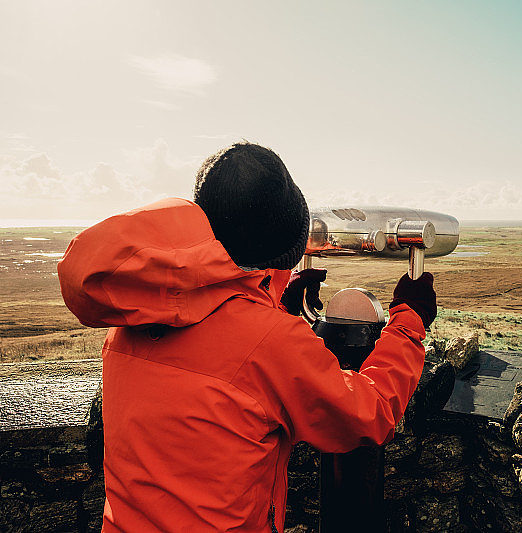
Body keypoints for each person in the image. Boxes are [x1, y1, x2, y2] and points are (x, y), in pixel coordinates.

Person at [58, 142, 436, 533]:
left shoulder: (133, 318)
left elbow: (220, 335)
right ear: (283, 244)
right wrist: (410, 318)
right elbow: (367, 414)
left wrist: (275, 302)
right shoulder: (270, 343)